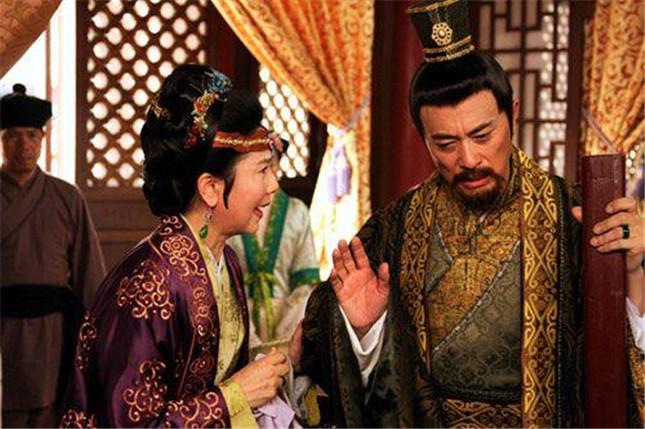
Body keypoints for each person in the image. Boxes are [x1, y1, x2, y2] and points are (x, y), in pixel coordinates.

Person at [297, 1, 645, 427]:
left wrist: (633, 272)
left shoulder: (571, 215)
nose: (468, 159)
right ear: (424, 138)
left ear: (513, 114)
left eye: (483, 135)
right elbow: (324, 345)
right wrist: (366, 330)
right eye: (445, 144)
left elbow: (617, 362)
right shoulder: (398, 226)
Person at [59, 66, 290, 427]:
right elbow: (129, 423)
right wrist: (233, 397)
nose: (274, 185)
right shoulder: (149, 286)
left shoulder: (224, 259)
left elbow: (221, 368)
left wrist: (291, 354)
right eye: (262, 170)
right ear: (211, 188)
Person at [0, 84, 106, 428]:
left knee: (49, 411)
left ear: (43, 139)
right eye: (13, 136)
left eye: (32, 136)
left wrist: (98, 332)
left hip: (53, 329)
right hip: (4, 326)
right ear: (1, 140)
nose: (24, 146)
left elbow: (89, 271)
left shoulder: (66, 197)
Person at [228, 99, 320, 355]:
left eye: (271, 164)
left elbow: (306, 282)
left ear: (278, 165)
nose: (268, 173)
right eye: (259, 168)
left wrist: (285, 336)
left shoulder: (296, 213)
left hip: (288, 320)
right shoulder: (232, 211)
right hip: (239, 319)